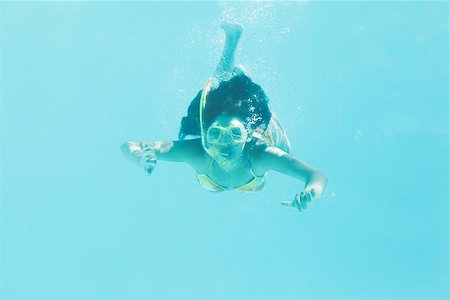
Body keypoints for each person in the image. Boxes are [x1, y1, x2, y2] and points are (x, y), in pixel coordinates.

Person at [121, 22, 327, 212]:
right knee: (217, 99)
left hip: (263, 133)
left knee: (241, 106)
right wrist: (141, 158)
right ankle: (236, 61)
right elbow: (130, 145)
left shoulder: (259, 154)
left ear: (246, 137)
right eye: (216, 134)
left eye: (235, 133)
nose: (224, 142)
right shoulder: (199, 152)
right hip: (228, 174)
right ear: (206, 136)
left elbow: (316, 176)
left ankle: (239, 66)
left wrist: (311, 193)